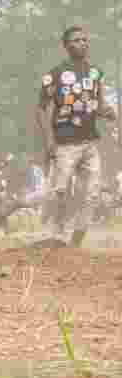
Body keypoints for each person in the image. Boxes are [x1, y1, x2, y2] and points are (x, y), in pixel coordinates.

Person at [35, 26, 116, 248]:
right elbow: (41, 109)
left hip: (90, 141)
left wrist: (107, 111)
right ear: (66, 45)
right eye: (76, 40)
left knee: (92, 193)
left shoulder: (95, 73)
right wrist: (48, 140)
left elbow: (98, 104)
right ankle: (54, 236)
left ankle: (76, 243)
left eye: (84, 40)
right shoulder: (54, 75)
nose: (82, 43)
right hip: (64, 143)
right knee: (59, 192)